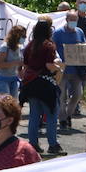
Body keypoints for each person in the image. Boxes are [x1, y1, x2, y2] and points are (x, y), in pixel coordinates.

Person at [20, 18, 64, 156]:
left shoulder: (29, 46)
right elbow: (48, 65)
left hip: (31, 85)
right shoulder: (49, 46)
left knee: (34, 115)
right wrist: (59, 68)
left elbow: (26, 66)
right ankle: (53, 145)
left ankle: (33, 143)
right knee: (51, 115)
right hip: (45, 85)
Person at [52, 10, 86, 130]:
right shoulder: (58, 33)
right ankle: (62, 119)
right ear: (67, 20)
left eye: (75, 20)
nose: (73, 22)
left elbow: (84, 48)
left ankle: (68, 114)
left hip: (77, 70)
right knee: (62, 96)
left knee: (77, 95)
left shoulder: (79, 32)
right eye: (71, 20)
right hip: (62, 70)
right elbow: (52, 48)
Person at [0, 25, 26, 97]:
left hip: (14, 79)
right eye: (23, 35)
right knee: (4, 102)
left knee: (12, 104)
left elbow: (19, 65)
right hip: (2, 79)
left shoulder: (19, 48)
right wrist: (16, 63)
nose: (24, 37)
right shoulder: (5, 47)